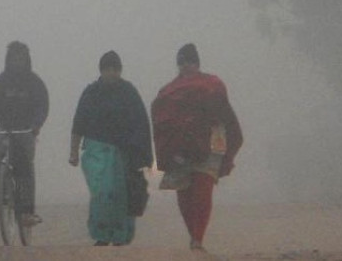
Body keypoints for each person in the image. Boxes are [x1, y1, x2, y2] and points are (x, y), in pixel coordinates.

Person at [151, 43, 243, 251]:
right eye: (182, 62)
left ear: (197, 63)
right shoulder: (167, 91)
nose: (186, 66)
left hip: (209, 143)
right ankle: (194, 236)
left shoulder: (212, 84)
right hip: (179, 147)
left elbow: (224, 113)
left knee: (203, 188)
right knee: (184, 192)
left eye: (190, 61)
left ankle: (197, 239)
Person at [69, 51, 153, 246]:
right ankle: (102, 234)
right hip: (96, 153)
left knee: (121, 196)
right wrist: (73, 152)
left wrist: (145, 156)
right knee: (102, 194)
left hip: (124, 153)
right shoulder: (91, 93)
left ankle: (120, 236)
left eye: (116, 69)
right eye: (108, 69)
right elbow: (78, 123)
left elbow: (141, 124)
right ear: (101, 70)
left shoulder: (128, 92)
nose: (112, 73)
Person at [0, 41, 49, 227]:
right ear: (8, 60)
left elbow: (43, 105)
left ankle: (27, 212)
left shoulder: (35, 83)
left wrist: (37, 124)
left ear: (27, 59)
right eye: (14, 58)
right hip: (5, 130)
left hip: (26, 131)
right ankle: (3, 190)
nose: (17, 61)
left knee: (25, 168)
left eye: (21, 58)